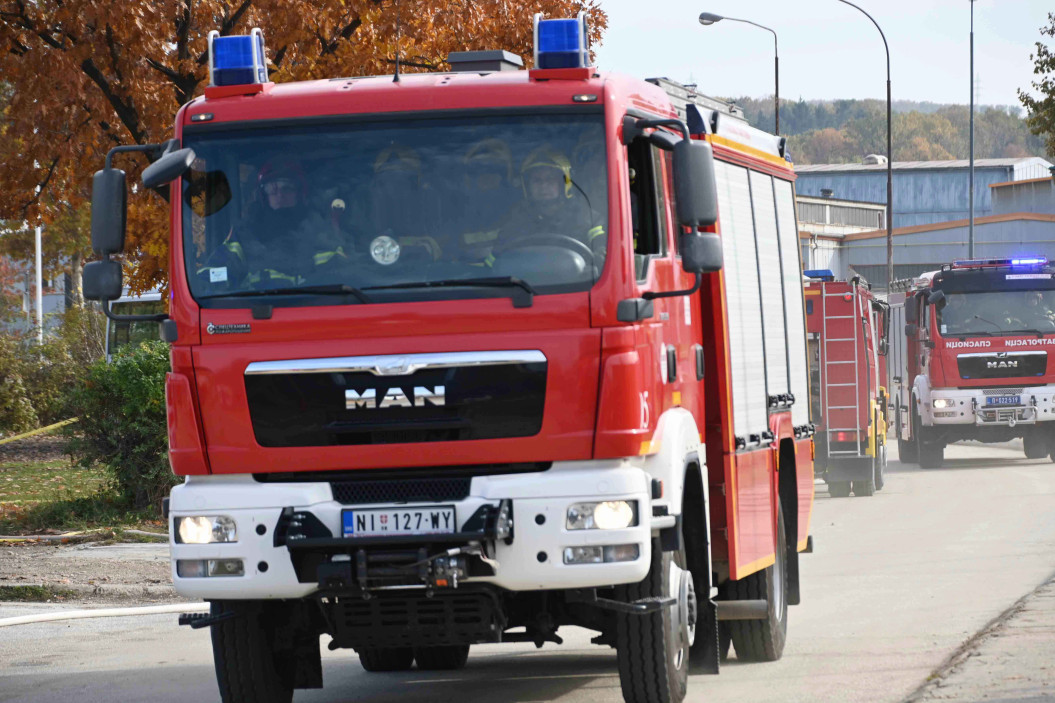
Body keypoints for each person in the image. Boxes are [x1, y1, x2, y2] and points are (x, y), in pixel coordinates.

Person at [200, 159, 350, 288]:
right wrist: (210, 283)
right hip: (259, 311)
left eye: (287, 188)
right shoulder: (246, 234)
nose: (280, 195)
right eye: (272, 188)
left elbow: (343, 274)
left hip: (314, 310)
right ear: (263, 195)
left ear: (300, 193)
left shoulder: (318, 230)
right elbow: (214, 273)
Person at [496, 145, 604, 254]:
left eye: (550, 179)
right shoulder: (516, 220)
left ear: (564, 184)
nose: (543, 186)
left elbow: (602, 248)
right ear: (527, 186)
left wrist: (599, 254)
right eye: (537, 180)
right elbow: (495, 261)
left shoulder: (588, 218)